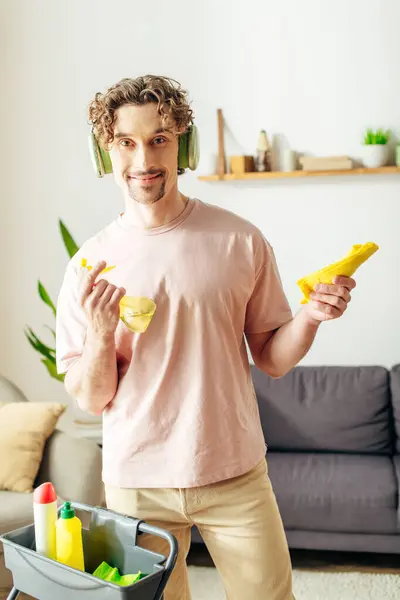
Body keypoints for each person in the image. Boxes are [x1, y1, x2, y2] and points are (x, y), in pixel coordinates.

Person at [56, 75, 356, 600]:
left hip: (234, 471)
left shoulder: (239, 239)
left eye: (159, 138)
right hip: (137, 483)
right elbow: (91, 396)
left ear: (183, 146)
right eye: (126, 142)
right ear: (105, 153)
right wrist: (102, 335)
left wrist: (309, 316)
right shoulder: (87, 263)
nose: (144, 158)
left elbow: (273, 359)